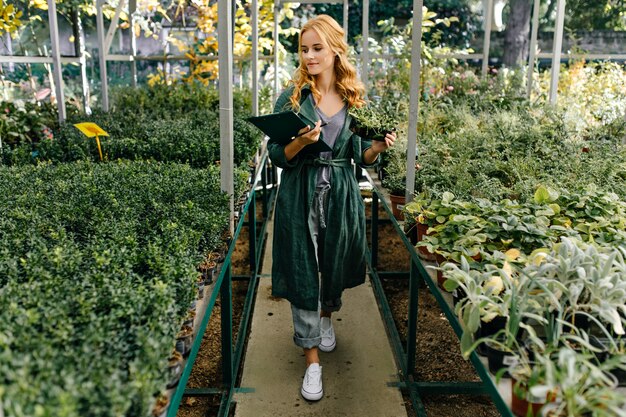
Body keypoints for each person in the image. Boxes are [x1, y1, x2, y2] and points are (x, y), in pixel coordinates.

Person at [267, 14, 396, 401]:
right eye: (304, 49)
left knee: (335, 262)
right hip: (299, 194)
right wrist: (301, 144)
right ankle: (312, 363)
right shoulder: (292, 99)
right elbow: (277, 154)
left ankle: (326, 317)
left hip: (340, 193)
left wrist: (377, 148)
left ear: (336, 50)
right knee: (303, 267)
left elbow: (361, 155)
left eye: (317, 48)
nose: (309, 56)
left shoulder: (355, 100)